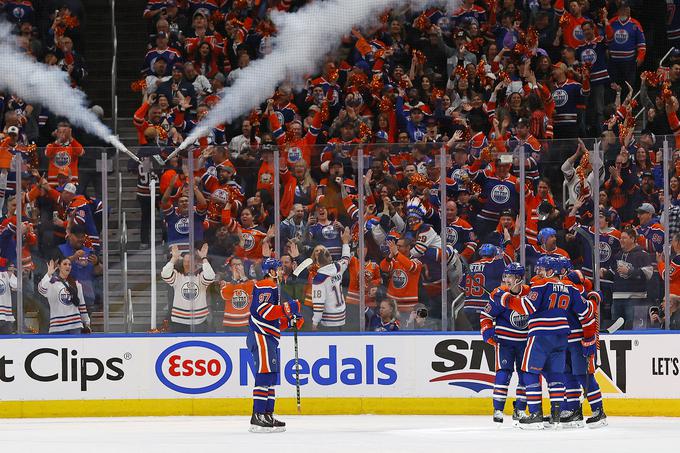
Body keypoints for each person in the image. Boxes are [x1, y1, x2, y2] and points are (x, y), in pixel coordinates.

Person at [503, 256, 596, 429]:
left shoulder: (541, 284)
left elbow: (526, 308)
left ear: (551, 271)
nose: (538, 273)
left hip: (541, 335)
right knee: (556, 375)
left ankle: (536, 414)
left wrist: (507, 299)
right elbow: (585, 310)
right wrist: (594, 299)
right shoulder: (569, 287)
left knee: (529, 372)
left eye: (541, 269)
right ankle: (556, 416)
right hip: (562, 335)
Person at [247, 258, 302, 433]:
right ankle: (257, 416)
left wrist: (289, 321)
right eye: (278, 269)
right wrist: (289, 308)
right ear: (270, 271)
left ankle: (267, 414)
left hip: (268, 336)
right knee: (264, 375)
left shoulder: (273, 287)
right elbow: (264, 312)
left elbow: (274, 321)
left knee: (270, 378)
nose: (281, 271)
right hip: (260, 336)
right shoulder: (266, 285)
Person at [481, 262, 529, 425]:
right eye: (505, 276)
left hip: (525, 343)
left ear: (520, 278)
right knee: (503, 374)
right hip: (505, 342)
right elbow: (486, 315)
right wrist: (488, 332)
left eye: (511, 276)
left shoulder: (529, 293)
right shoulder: (498, 293)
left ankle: (520, 408)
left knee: (526, 376)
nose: (507, 279)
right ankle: (498, 409)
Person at [160, 244, 215, 332]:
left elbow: (210, 276)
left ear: (195, 263)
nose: (187, 264)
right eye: (185, 261)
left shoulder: (200, 276)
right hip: (179, 321)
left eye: (190, 261)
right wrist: (173, 258)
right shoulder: (178, 276)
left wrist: (204, 258)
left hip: (199, 321)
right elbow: (165, 274)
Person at [312, 226, 351, 331]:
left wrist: (315, 323)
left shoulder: (319, 278)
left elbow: (319, 304)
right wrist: (345, 242)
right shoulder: (338, 267)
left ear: (318, 262)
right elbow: (346, 258)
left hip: (328, 322)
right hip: (342, 317)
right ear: (330, 258)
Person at [38, 257, 91, 334]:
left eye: (69, 264)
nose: (68, 266)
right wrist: (48, 274)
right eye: (65, 264)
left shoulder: (76, 284)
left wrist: (86, 322)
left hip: (75, 326)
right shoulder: (52, 283)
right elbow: (41, 289)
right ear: (59, 266)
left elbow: (81, 305)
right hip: (57, 327)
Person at [0, 258, 17, 334]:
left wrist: (10, 274)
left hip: (5, 316)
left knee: (8, 343)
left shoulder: (5, 273)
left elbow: (16, 285)